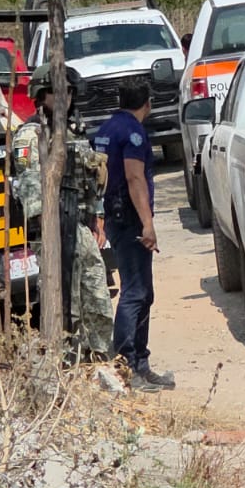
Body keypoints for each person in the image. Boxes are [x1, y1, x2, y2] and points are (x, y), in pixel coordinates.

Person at [14, 65, 113, 362]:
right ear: (41, 94)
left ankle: (98, 357)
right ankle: (66, 361)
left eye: (68, 92)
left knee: (96, 296)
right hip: (54, 230)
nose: (64, 98)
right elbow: (32, 189)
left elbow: (92, 177)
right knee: (64, 301)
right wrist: (50, 231)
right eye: (56, 92)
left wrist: (96, 216)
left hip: (80, 225)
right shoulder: (32, 135)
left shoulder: (73, 131)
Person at [93, 78, 175, 392]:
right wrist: (147, 224)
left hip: (116, 217)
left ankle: (141, 364)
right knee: (135, 292)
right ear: (147, 103)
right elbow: (134, 177)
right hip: (129, 219)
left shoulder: (105, 129)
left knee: (143, 292)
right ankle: (127, 367)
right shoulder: (133, 133)